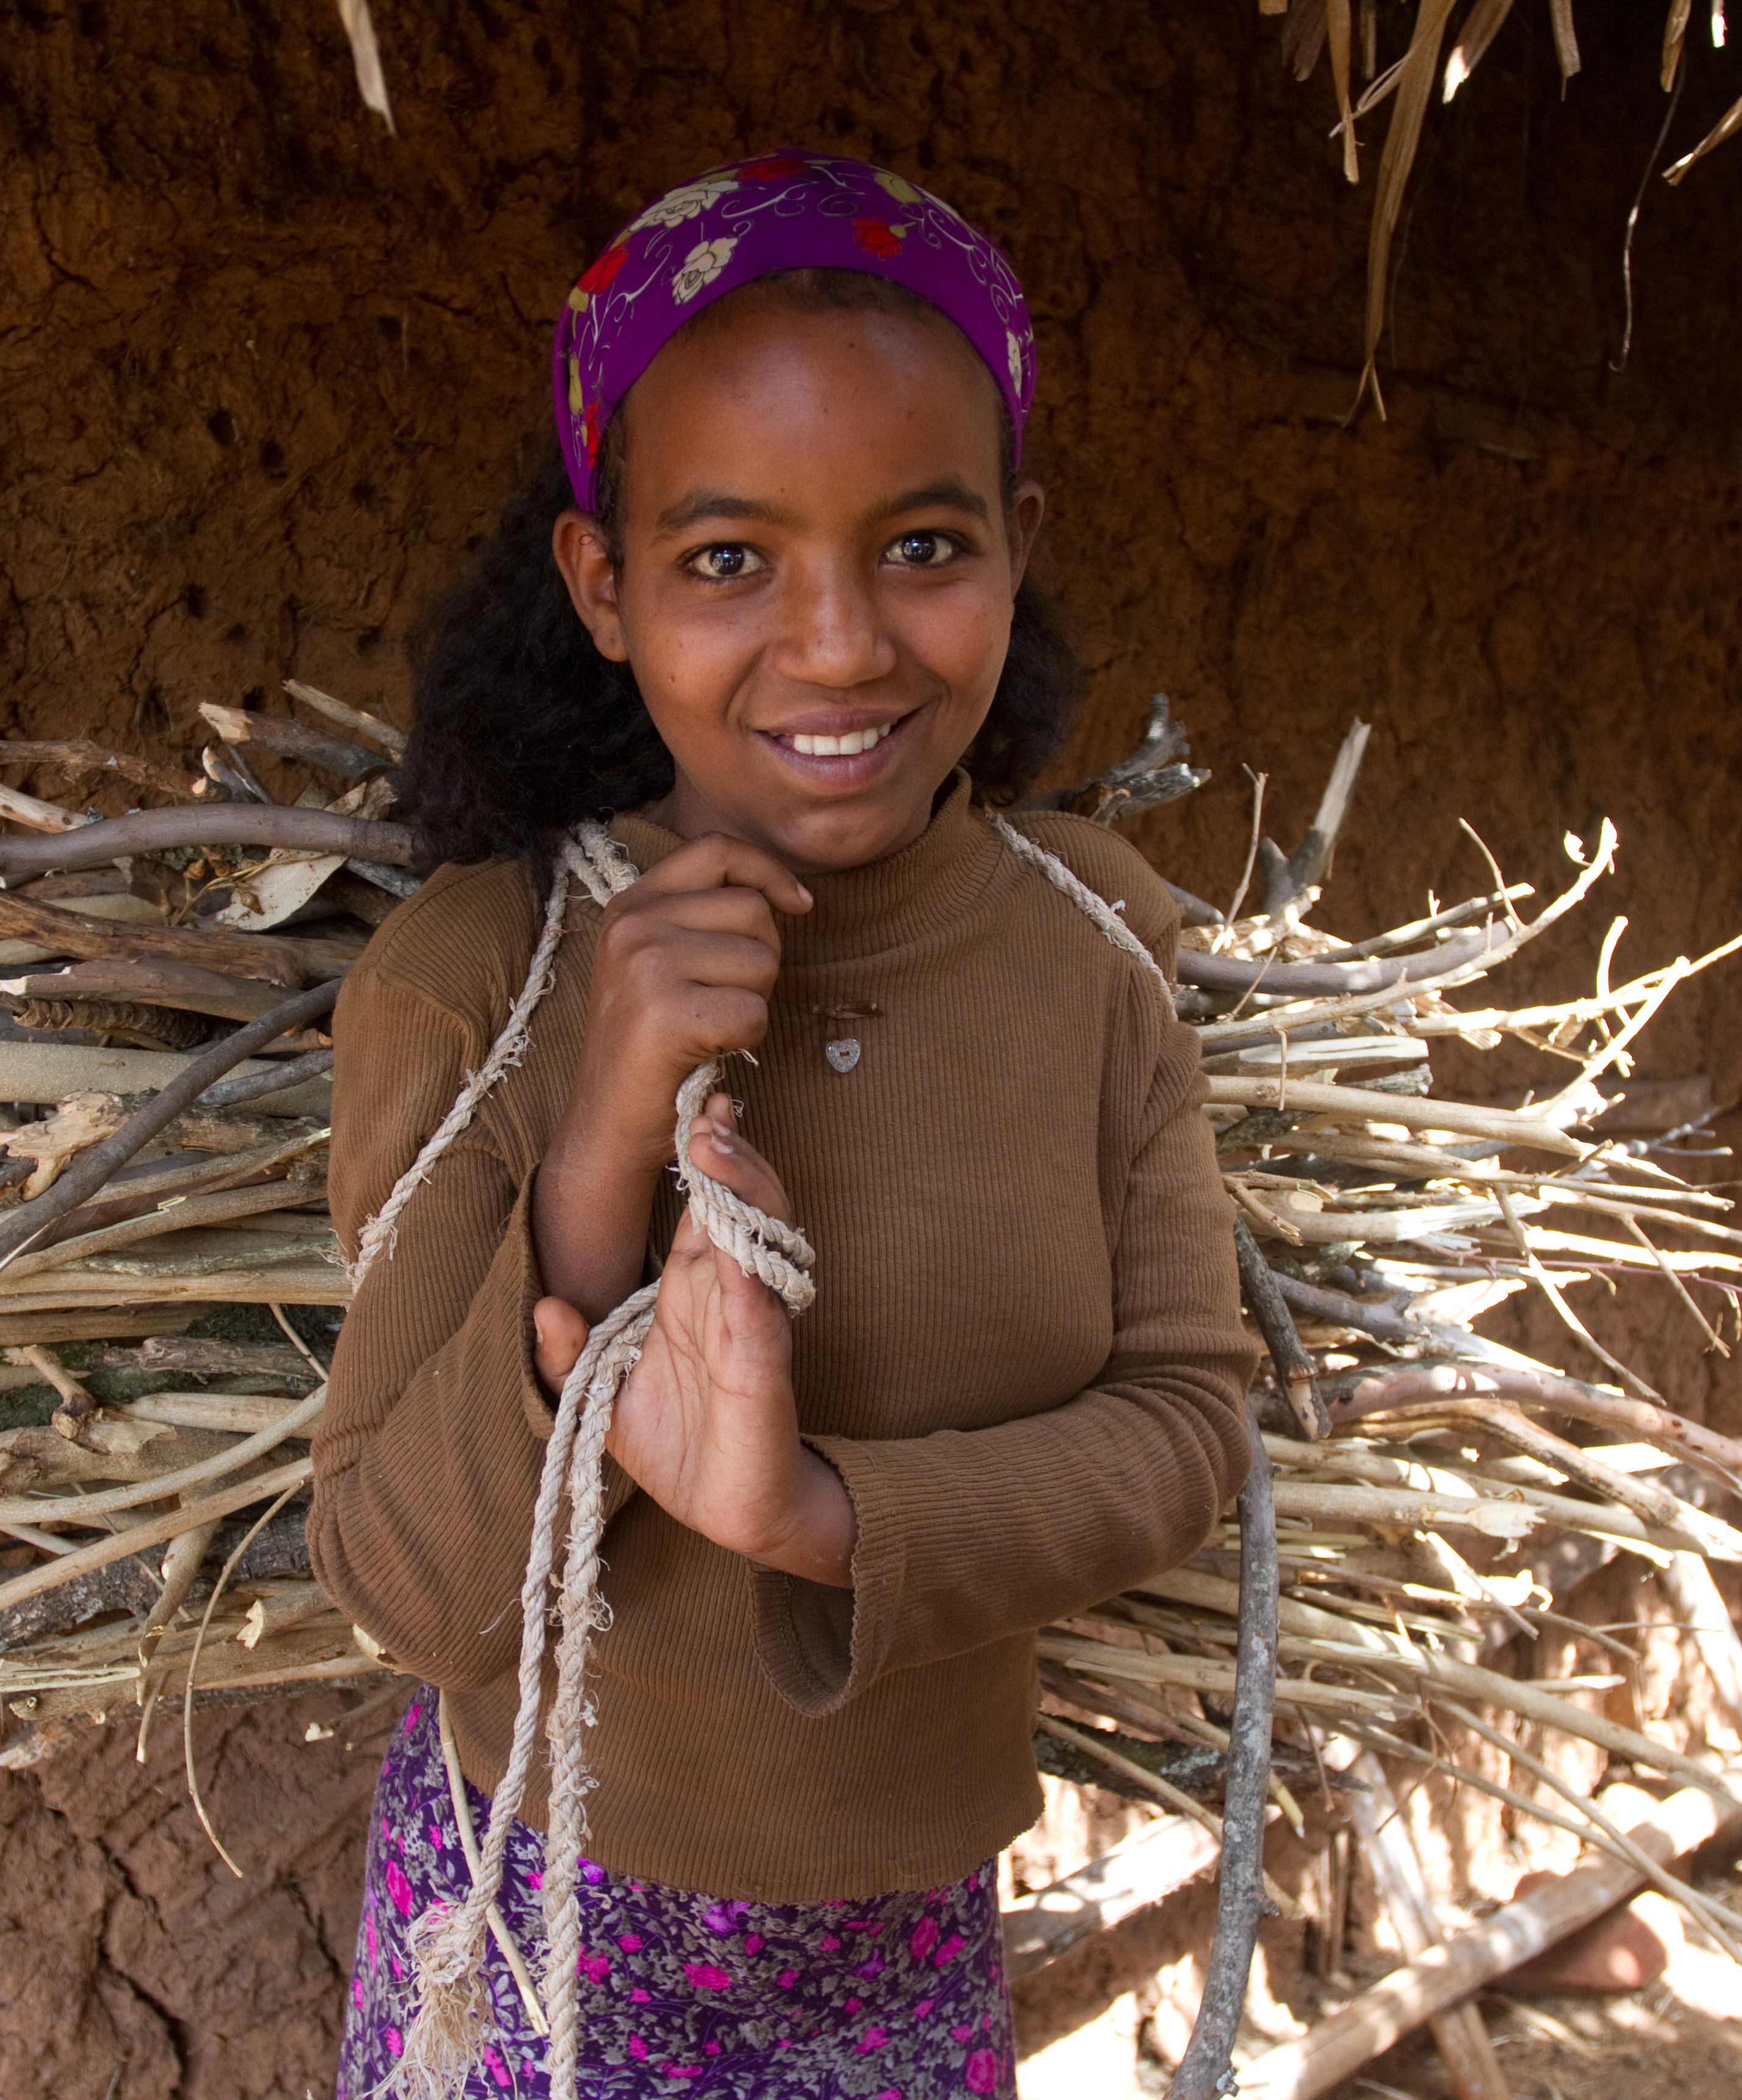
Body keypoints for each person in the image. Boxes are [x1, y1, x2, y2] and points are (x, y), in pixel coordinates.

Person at [312, 149, 1258, 2099]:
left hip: (910, 1945)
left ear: (1017, 540)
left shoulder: (1094, 957)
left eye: (923, 547)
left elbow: (1189, 1426)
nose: (839, 646)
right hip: (530, 1933)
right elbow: (398, 1583)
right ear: (604, 583)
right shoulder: (475, 978)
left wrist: (812, 1520)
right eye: (729, 560)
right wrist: (599, 1138)